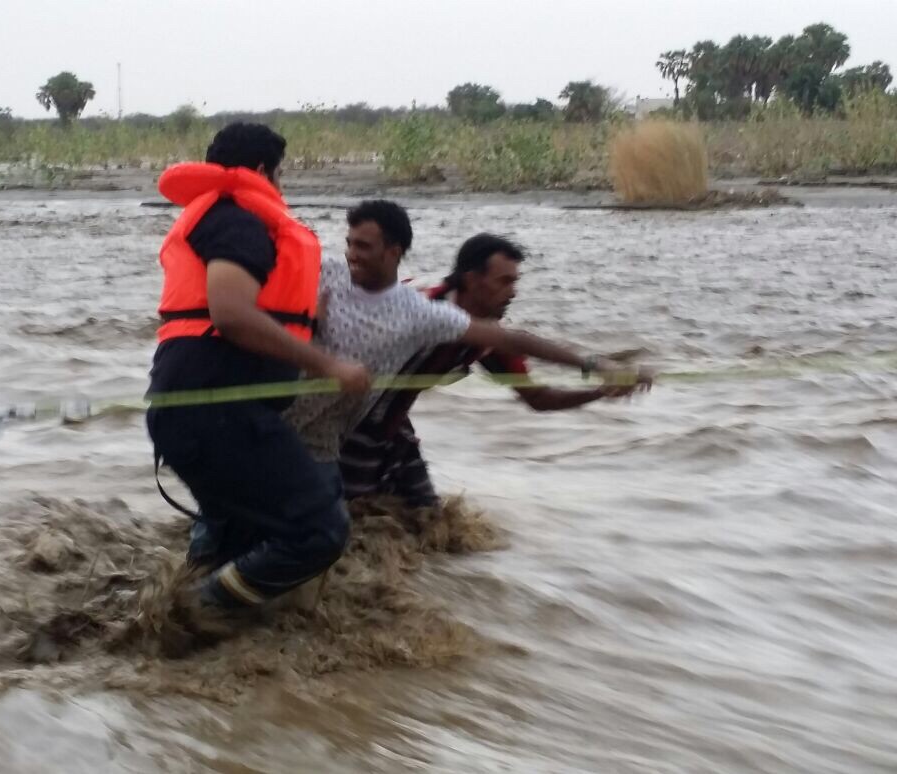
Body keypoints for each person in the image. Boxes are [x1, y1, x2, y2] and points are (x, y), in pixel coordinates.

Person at [145, 122, 370, 611]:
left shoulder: (224, 218)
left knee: (247, 540)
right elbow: (230, 314)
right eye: (281, 175)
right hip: (216, 415)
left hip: (208, 415)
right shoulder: (237, 220)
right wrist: (328, 363)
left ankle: (179, 639)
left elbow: (244, 311)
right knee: (321, 531)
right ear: (265, 170)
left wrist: (306, 322)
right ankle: (197, 615)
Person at [283, 206, 650, 491]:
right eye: (504, 281)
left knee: (425, 521)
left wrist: (601, 390)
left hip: (392, 432)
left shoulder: (485, 341)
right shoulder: (420, 307)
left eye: (515, 281)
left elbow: (537, 398)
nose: (513, 291)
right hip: (345, 425)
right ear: (473, 280)